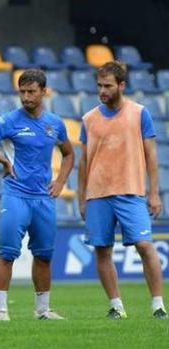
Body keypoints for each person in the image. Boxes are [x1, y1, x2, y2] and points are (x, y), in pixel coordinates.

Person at [0, 69, 74, 321]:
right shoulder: (9, 121)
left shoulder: (54, 124)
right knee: (7, 253)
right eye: (22, 92)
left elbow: (69, 153)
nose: (26, 97)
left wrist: (60, 181)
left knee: (44, 256)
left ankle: (42, 310)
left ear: (43, 92)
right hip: (16, 196)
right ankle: (1, 310)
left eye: (31, 91)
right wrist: (3, 161)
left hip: (43, 199)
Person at [78, 61, 166, 319]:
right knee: (102, 249)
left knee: (145, 245)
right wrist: (83, 197)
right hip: (97, 194)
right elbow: (83, 162)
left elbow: (151, 156)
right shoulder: (89, 119)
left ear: (121, 85)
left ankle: (158, 305)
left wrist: (154, 192)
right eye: (99, 86)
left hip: (130, 191)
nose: (102, 91)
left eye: (107, 86)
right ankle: (116, 306)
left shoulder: (140, 113)